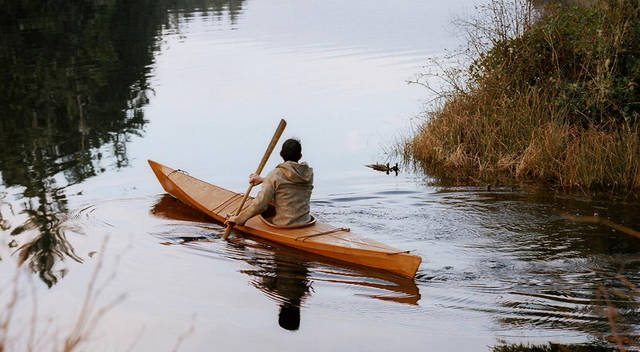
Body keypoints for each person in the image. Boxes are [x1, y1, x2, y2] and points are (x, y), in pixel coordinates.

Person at [225, 138, 313, 227]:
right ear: (300, 156)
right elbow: (288, 184)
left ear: (281, 154)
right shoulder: (308, 173)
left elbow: (260, 205)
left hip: (284, 225)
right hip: (305, 221)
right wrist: (263, 180)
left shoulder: (275, 174)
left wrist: (238, 219)